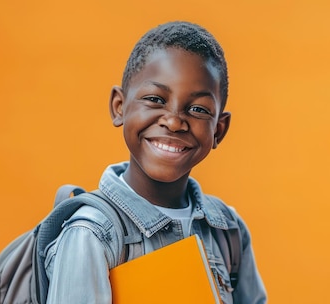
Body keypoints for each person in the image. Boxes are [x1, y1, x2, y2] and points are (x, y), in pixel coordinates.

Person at [44, 21, 267, 303]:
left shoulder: (227, 230)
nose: (174, 122)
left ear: (218, 130)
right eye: (155, 99)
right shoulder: (92, 234)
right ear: (119, 107)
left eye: (198, 109)